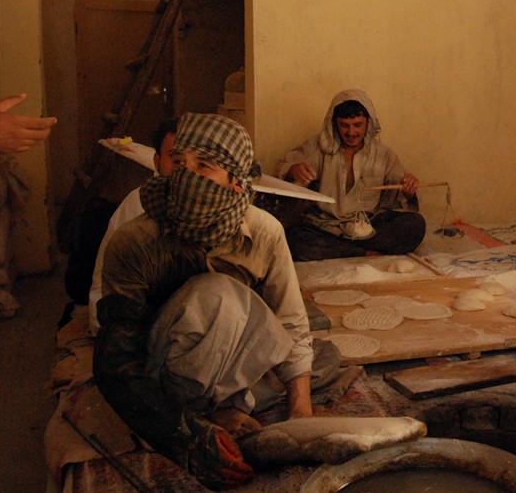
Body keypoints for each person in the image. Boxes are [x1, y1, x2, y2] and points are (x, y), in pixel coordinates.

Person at [94, 113, 339, 490]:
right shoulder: (135, 241)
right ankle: (204, 411)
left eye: (203, 166)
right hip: (163, 371)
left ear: (236, 184)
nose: (185, 176)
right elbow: (117, 361)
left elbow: (290, 319)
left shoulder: (264, 232)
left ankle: (227, 406)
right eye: (178, 163)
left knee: (320, 357)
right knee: (218, 293)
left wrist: (300, 413)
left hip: (222, 357)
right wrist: (185, 436)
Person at [274, 89, 426, 261]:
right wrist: (294, 169)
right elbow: (281, 167)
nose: (351, 132)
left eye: (357, 125)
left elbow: (400, 192)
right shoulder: (316, 147)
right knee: (294, 238)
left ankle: (344, 250)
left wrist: (409, 190)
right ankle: (361, 252)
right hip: (326, 227)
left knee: (415, 225)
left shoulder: (383, 155)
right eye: (344, 125)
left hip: (368, 226)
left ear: (368, 123)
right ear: (334, 124)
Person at [86, 118, 178, 333]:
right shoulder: (140, 205)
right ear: (157, 161)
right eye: (174, 158)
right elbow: (115, 288)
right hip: (130, 321)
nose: (184, 170)